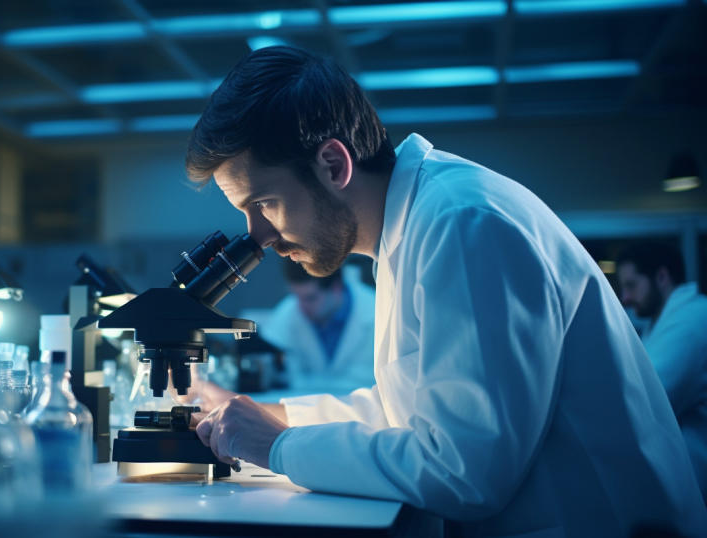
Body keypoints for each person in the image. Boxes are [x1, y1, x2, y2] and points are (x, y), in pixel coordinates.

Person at [183, 46, 706, 536]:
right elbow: (406, 414)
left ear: (334, 165)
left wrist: (278, 446)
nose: (259, 237)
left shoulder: (462, 224)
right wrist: (270, 418)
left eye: (265, 204)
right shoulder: (409, 230)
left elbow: (465, 472)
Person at [617, 241, 707, 498]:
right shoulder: (658, 322)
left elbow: (648, 401)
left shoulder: (691, 320)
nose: (625, 298)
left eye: (631, 285)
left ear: (662, 277)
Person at [258, 259, 375, 392]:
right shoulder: (288, 312)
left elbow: (367, 382)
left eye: (310, 298)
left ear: (336, 288)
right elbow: (283, 377)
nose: (301, 307)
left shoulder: (374, 312)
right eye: (296, 296)